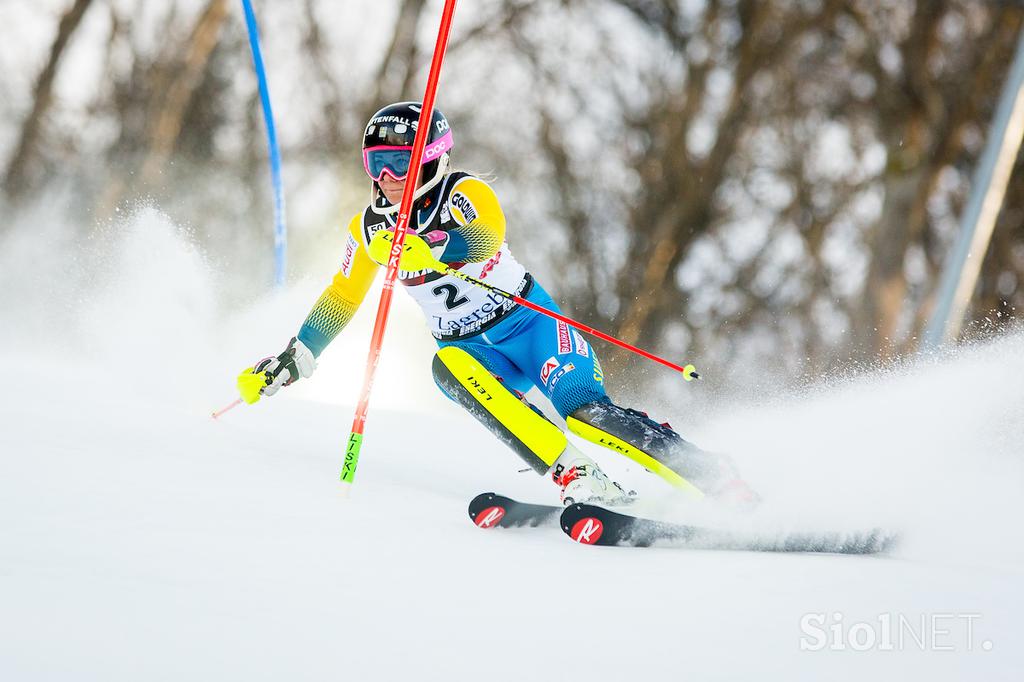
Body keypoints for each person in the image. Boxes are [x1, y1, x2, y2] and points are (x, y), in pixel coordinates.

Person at [240, 101, 754, 507]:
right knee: (446, 368)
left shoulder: (463, 191)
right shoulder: (370, 229)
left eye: (400, 162)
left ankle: (710, 475)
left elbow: (488, 235)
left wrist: (441, 247)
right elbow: (343, 295)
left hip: (529, 326)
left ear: (432, 160)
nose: (386, 177)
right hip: (472, 351)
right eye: (377, 164)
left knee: (585, 413)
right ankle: (580, 477)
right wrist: (297, 356)